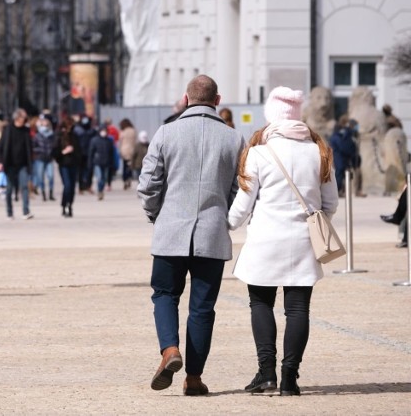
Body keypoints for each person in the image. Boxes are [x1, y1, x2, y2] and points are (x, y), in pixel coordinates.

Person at [137, 74, 245, 395]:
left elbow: (148, 184)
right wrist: (223, 215)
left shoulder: (166, 133)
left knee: (165, 294)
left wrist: (157, 214)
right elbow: (241, 189)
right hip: (212, 233)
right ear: (218, 99)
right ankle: (194, 378)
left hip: (171, 230)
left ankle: (170, 350)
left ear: (185, 99)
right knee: (202, 308)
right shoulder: (234, 139)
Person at [228, 86, 339, 396]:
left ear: (271, 116)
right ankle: (290, 377)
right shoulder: (319, 150)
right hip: (304, 240)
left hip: (265, 238)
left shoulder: (259, 152)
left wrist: (227, 225)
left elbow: (243, 203)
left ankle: (266, 373)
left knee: (260, 303)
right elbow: (330, 203)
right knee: (298, 309)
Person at [0, 109, 34, 220]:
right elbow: (0, 147)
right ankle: (9, 212)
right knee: (9, 189)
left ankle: (26, 211)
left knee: (24, 187)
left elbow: (29, 147)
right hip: (10, 164)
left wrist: (30, 161)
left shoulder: (26, 131)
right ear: (17, 118)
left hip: (23, 164)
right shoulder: (8, 130)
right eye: (23, 117)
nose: (25, 120)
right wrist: (0, 162)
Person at [53, 116, 81, 217]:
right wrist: (63, 152)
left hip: (73, 164)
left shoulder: (75, 136)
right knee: (67, 185)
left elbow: (79, 151)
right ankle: (64, 205)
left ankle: (69, 205)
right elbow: (54, 152)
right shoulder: (59, 136)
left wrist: (74, 152)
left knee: (72, 187)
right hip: (63, 164)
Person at [329, 114, 357, 196]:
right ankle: (337, 191)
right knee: (339, 174)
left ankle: (341, 191)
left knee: (343, 175)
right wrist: (350, 151)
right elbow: (342, 145)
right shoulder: (341, 133)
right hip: (340, 157)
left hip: (342, 157)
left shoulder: (343, 132)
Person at [32, 116, 56, 201]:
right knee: (40, 177)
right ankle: (43, 194)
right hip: (40, 158)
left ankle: (51, 193)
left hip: (49, 159)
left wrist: (52, 152)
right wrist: (40, 150)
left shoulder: (52, 135)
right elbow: (33, 147)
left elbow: (54, 145)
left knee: (51, 176)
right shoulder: (37, 136)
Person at [87, 124, 114, 200]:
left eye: (105, 131)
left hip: (106, 163)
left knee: (104, 178)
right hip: (97, 162)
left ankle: (101, 190)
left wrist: (112, 163)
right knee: (99, 178)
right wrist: (90, 163)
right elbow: (91, 153)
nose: (103, 132)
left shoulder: (109, 141)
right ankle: (99, 191)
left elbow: (111, 153)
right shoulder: (94, 140)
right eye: (102, 131)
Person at [118, 118, 137, 190]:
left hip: (124, 150)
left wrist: (120, 150)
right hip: (132, 150)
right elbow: (135, 141)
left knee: (124, 166)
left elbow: (120, 142)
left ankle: (125, 179)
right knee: (130, 166)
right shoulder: (133, 131)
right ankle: (129, 178)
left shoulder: (123, 131)